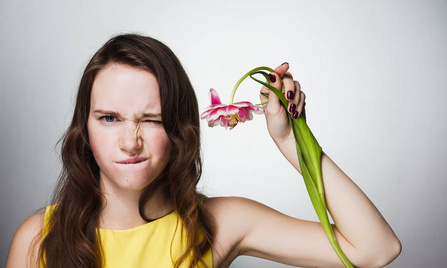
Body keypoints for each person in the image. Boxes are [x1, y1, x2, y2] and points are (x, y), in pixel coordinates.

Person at [6, 34, 401, 268]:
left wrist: (291, 140)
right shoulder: (37, 238)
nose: (130, 141)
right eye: (109, 118)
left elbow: (376, 249)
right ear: (84, 129)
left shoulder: (221, 222)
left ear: (179, 127)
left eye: (152, 119)